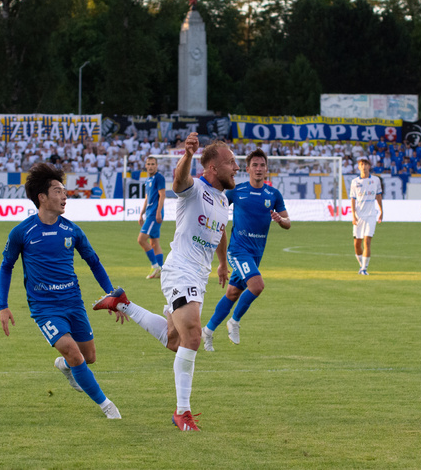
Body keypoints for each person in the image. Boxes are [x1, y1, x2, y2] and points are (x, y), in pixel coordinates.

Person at [93, 132, 237, 431]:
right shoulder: (195, 188)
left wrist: (222, 262)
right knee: (194, 337)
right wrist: (187, 154)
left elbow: (221, 231)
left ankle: (123, 303)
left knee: (175, 340)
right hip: (181, 270)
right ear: (212, 168)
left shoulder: (223, 201)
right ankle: (181, 412)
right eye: (231, 162)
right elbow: (178, 183)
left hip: (199, 274)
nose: (236, 167)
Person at [0, 163, 122, 420]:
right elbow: (6, 266)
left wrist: (111, 292)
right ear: (42, 197)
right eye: (57, 191)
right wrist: (3, 305)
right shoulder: (22, 232)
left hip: (73, 303)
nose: (64, 196)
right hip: (45, 308)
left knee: (88, 357)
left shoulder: (72, 230)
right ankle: (107, 405)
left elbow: (94, 262)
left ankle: (65, 367)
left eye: (64, 191)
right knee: (74, 352)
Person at [201, 148, 290, 351]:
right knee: (257, 285)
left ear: (267, 169)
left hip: (256, 253)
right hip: (238, 250)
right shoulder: (236, 191)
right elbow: (218, 209)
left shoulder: (273, 194)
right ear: (248, 169)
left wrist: (280, 219)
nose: (258, 169)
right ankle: (234, 321)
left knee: (232, 293)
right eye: (255, 165)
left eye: (262, 165)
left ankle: (207, 331)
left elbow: (288, 222)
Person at [350, 156, 383, 275]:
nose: (364, 167)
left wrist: (381, 211)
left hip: (371, 215)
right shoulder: (355, 182)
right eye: (361, 165)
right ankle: (361, 265)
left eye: (366, 164)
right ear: (358, 167)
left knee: (367, 241)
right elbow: (353, 199)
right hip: (359, 216)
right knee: (356, 244)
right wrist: (353, 216)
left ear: (369, 166)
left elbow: (378, 196)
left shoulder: (375, 180)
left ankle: (364, 268)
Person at [138, 156, 167, 279]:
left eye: (152, 164)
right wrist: (141, 213)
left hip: (154, 214)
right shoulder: (148, 179)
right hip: (149, 213)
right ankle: (161, 271)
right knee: (154, 242)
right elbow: (147, 198)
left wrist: (158, 212)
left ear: (156, 165)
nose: (150, 166)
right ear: (146, 166)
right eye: (148, 164)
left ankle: (155, 266)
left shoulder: (159, 177)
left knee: (141, 239)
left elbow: (162, 195)